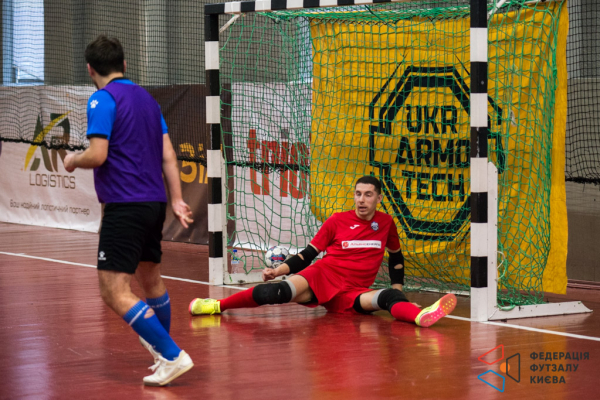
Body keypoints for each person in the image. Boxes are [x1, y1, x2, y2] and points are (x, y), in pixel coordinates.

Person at [64, 35, 194, 386]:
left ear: (90, 70)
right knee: (150, 279)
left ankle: (172, 354)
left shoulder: (102, 99)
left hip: (125, 205)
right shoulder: (148, 100)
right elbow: (169, 155)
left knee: (113, 289)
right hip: (154, 203)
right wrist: (177, 199)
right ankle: (161, 354)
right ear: (125, 64)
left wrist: (73, 160)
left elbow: (98, 155)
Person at [189, 176, 457, 327]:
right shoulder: (337, 221)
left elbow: (396, 257)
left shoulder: (386, 223)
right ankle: (216, 306)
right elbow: (307, 255)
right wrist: (278, 271)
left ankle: (419, 316)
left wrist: (399, 289)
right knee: (276, 293)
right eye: (358, 194)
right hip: (323, 274)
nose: (361, 199)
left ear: (379, 198)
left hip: (354, 289)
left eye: (368, 194)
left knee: (387, 298)